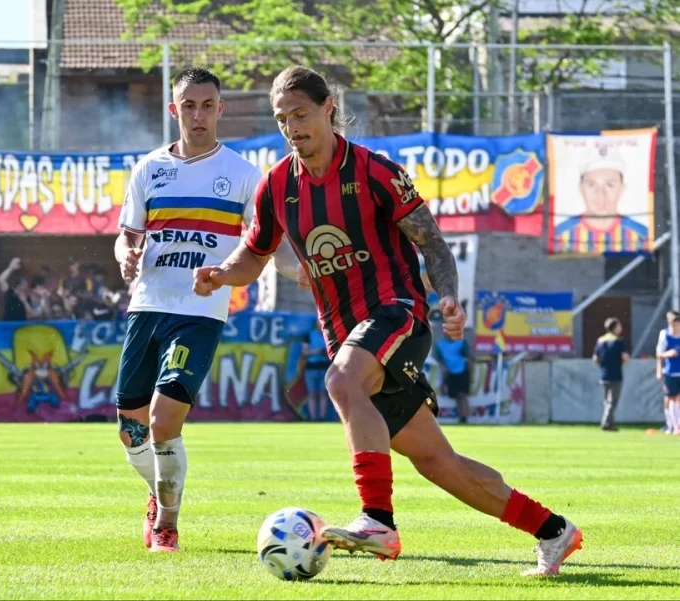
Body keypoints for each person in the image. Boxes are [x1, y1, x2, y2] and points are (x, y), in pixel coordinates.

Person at [193, 66, 581, 577]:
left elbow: (433, 243)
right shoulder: (276, 187)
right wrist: (222, 274)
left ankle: (378, 520)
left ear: (328, 108)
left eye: (301, 114)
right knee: (439, 463)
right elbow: (254, 254)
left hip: (397, 313)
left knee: (340, 380)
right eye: (283, 119)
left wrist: (449, 299)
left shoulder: (375, 172)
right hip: (345, 334)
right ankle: (553, 532)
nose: (292, 128)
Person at [114, 67, 264, 553]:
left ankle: (167, 525)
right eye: (189, 105)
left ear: (220, 109)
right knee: (131, 427)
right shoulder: (148, 169)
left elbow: (264, 241)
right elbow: (127, 235)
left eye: (208, 105)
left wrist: (297, 269)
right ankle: (158, 494)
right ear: (174, 110)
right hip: (147, 305)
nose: (198, 114)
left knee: (162, 419)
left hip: (200, 311)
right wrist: (126, 256)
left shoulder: (242, 174)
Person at [553, 147, 649, 253]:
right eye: (591, 184)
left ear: (621, 189)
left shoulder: (642, 237)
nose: (600, 194)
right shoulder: (559, 237)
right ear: (581, 188)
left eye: (610, 185)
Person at [592, 317, 628, 432]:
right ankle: (606, 422)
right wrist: (621, 364)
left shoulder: (600, 340)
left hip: (604, 374)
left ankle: (611, 424)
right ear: (615, 328)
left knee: (607, 401)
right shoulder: (619, 341)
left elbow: (595, 358)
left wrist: (603, 366)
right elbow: (625, 357)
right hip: (616, 374)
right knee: (613, 401)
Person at [434, 330, 472, 423]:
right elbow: (439, 359)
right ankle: (461, 417)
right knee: (456, 396)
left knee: (463, 395)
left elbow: (468, 358)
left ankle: (465, 417)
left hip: (462, 370)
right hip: (449, 372)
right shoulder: (440, 344)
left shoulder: (461, 342)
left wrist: (470, 375)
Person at [655, 310, 679, 433]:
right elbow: (659, 354)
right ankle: (672, 425)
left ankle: (676, 426)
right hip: (670, 372)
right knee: (671, 398)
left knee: (677, 399)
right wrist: (659, 370)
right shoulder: (665, 334)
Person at [303, 320, 331, 421]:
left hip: (325, 368)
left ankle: (322, 417)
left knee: (323, 393)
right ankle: (313, 417)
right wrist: (317, 351)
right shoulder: (309, 335)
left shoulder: (329, 335)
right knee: (312, 393)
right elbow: (304, 352)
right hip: (311, 368)